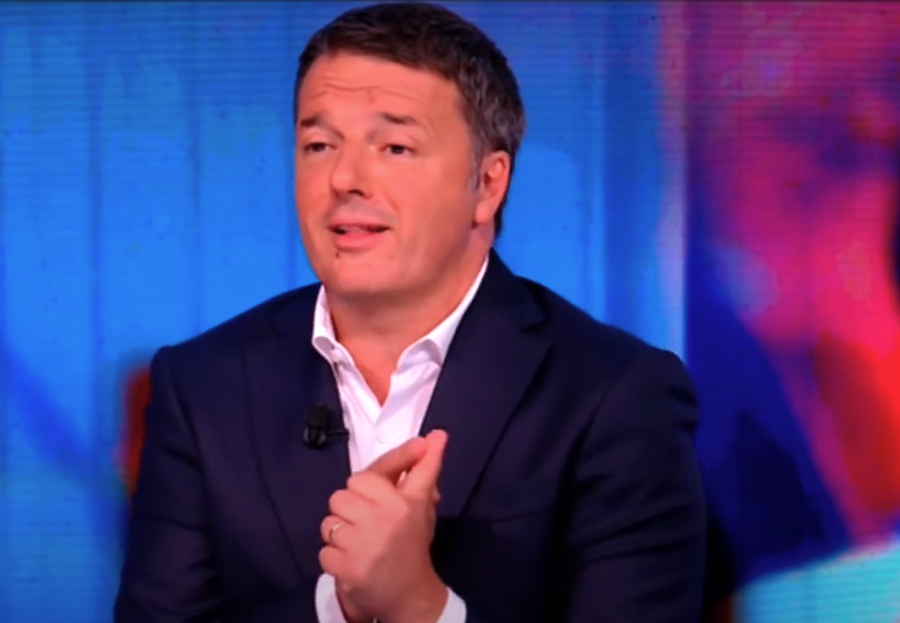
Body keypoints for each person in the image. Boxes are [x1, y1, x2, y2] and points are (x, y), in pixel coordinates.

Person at [113, 3, 706, 622]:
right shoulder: (202, 385)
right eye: (319, 144)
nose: (344, 178)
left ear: (488, 184)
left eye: (395, 147)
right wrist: (337, 606)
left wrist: (421, 608)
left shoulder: (614, 394)